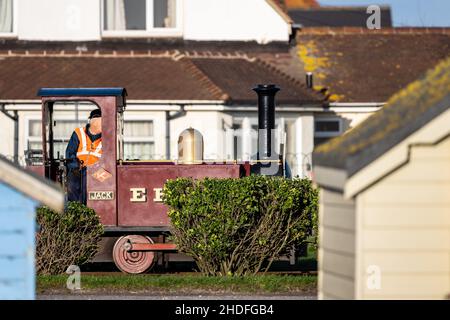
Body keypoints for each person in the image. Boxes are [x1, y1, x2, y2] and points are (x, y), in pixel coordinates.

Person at [65, 108, 102, 204]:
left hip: (96, 171)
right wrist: (76, 167)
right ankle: (76, 209)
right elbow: (70, 153)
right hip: (78, 169)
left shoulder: (107, 137)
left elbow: (109, 158)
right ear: (90, 120)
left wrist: (96, 168)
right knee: (73, 181)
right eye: (95, 118)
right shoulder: (78, 133)